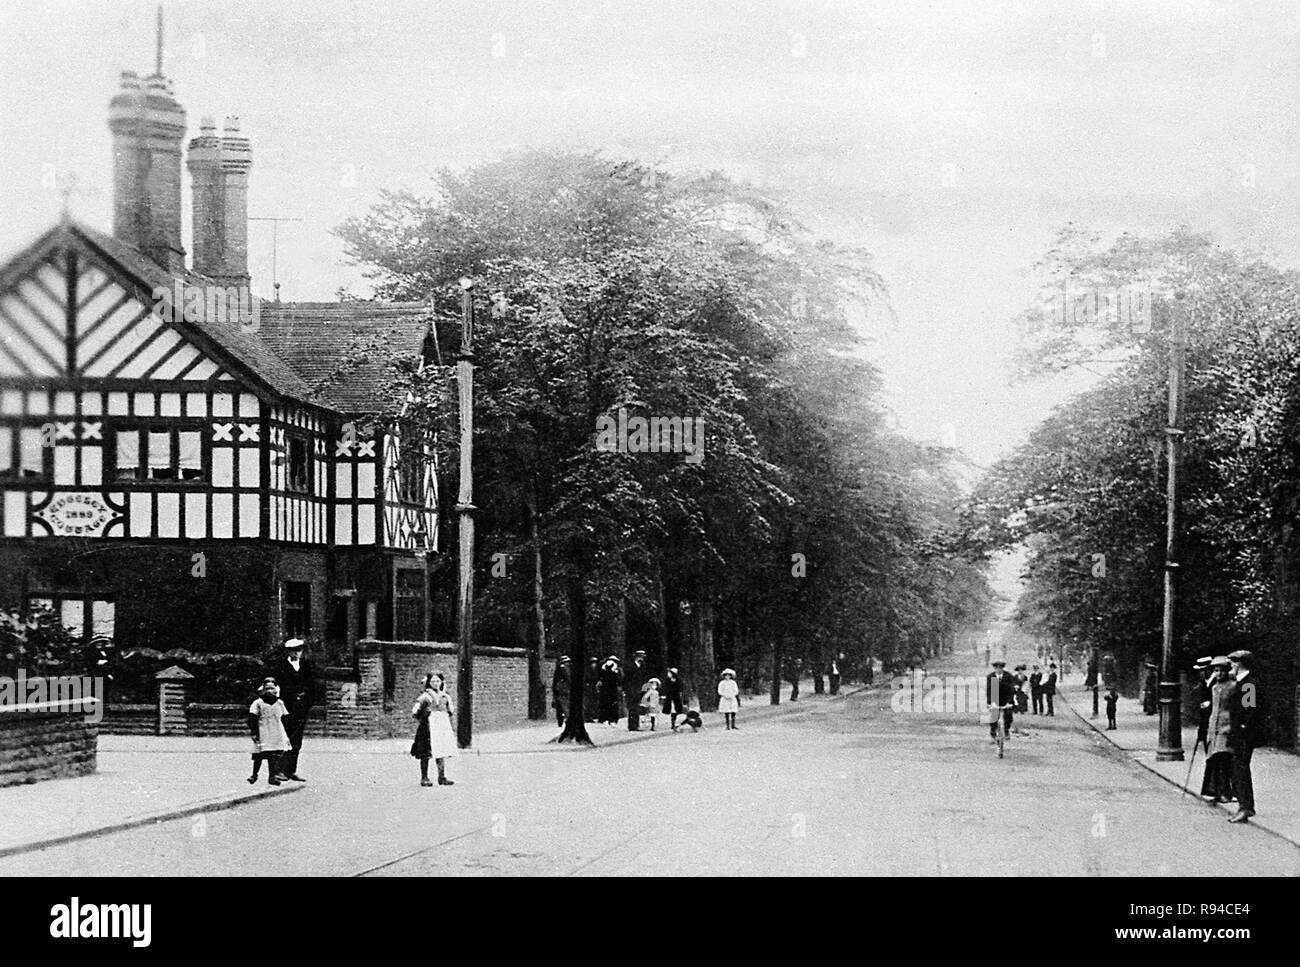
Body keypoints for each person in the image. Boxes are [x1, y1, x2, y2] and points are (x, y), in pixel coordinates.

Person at [267, 637, 314, 782]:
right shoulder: (280, 666)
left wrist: (307, 701)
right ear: (288, 651)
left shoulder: (305, 665)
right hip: (286, 707)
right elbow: (279, 686)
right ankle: (278, 770)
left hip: (301, 708)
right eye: (294, 651)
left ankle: (291, 770)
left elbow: (311, 684)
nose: (297, 654)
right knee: (283, 738)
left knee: (296, 740)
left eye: (299, 650)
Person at [1226, 650, 1264, 823]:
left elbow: (1250, 711)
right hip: (1239, 733)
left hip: (1244, 735)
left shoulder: (1249, 685)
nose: (1231, 666)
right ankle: (1243, 805)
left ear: (1240, 664)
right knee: (1238, 768)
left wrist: (1241, 730)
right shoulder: (1241, 683)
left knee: (1241, 768)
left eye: (1233, 663)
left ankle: (1246, 807)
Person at [411, 672, 457, 786]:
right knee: (426, 751)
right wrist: (423, 714)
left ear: (441, 682)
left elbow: (451, 710)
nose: (435, 684)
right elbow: (415, 711)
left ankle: (441, 777)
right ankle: (424, 777)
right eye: (433, 681)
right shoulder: (425, 696)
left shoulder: (445, 696)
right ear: (429, 683)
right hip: (428, 725)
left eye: (437, 681)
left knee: (441, 749)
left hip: (441, 724)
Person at [1200, 657, 1235, 804]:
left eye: (1221, 670)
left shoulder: (1233, 686)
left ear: (1227, 671)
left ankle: (1226, 792)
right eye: (1216, 670)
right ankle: (1215, 791)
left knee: (1223, 759)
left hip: (1226, 727)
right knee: (1213, 760)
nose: (1219, 673)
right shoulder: (1214, 688)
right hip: (1213, 727)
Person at [247, 677, 290, 785]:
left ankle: (272, 777)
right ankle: (254, 775)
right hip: (263, 731)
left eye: (272, 688)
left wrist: (287, 733)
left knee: (274, 755)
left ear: (276, 689)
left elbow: (285, 718)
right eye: (267, 688)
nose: (270, 690)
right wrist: (254, 732)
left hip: (276, 730)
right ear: (263, 689)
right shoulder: (258, 703)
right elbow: (252, 718)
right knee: (259, 754)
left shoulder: (279, 703)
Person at [985, 659, 1016, 742]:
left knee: (1008, 716)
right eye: (996, 668)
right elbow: (989, 691)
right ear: (994, 669)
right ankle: (993, 734)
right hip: (994, 700)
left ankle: (1006, 731)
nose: (998, 670)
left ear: (1002, 669)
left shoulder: (1008, 676)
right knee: (994, 717)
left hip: (1006, 700)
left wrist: (1010, 702)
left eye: (1000, 668)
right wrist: (990, 703)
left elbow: (1011, 690)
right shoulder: (991, 677)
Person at [624, 649, 649, 731]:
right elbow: (627, 678)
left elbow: (644, 678)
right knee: (632, 708)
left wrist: (644, 689)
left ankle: (636, 725)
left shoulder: (643, 666)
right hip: (631, 690)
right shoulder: (630, 666)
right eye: (640, 657)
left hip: (639, 690)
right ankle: (632, 725)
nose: (642, 659)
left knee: (636, 707)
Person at [1192, 655, 1213, 753]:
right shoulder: (1203, 684)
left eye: (1204, 670)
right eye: (1200, 671)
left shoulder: (1215, 683)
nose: (1201, 673)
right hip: (1205, 723)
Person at [597, 656, 622, 725]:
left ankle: (604, 719)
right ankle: (612, 719)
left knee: (605, 704)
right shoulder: (616, 668)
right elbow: (619, 678)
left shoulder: (603, 667)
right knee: (613, 704)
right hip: (612, 689)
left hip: (605, 689)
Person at [551, 655, 571, 727]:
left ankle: (561, 720)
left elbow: (555, 680)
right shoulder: (565, 669)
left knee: (561, 705)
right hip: (564, 690)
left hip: (560, 689)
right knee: (564, 705)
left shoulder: (560, 668)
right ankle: (566, 718)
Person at [584, 656, 600, 722]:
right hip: (589, 688)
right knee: (588, 703)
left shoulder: (596, 670)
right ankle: (588, 717)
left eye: (595, 662)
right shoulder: (587, 670)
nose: (594, 664)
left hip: (594, 687)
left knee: (593, 702)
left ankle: (591, 716)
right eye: (593, 662)